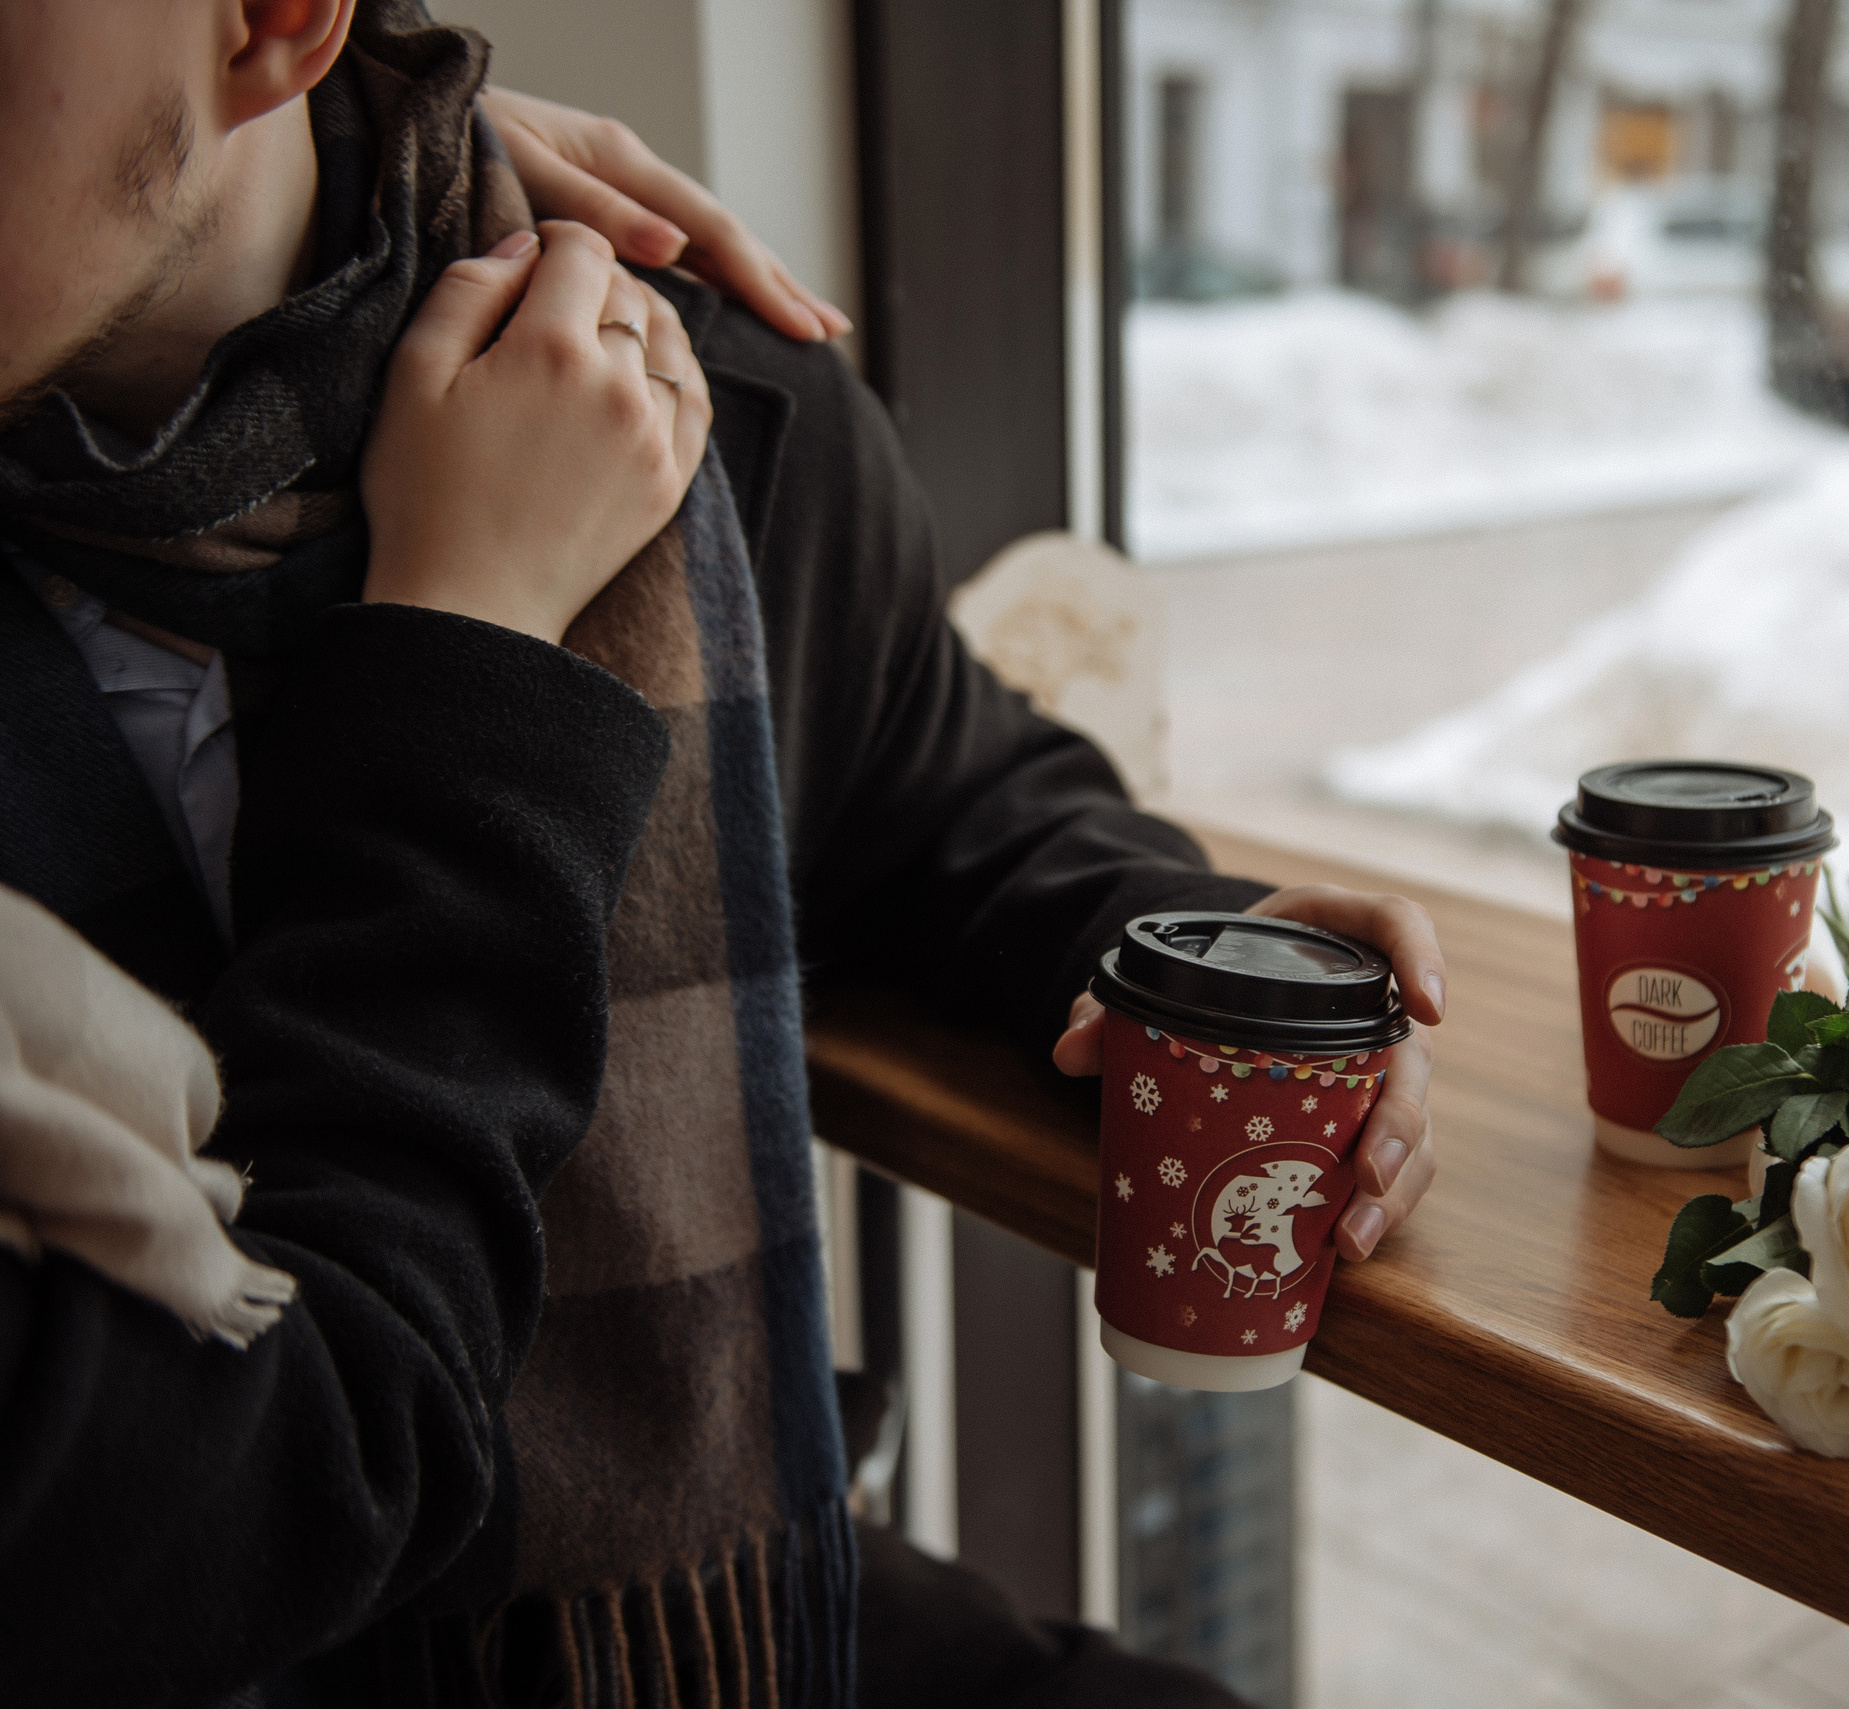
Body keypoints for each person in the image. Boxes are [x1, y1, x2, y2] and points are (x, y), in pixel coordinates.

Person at [0, 3, 1445, 1705]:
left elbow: (943, 803)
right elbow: (238, 1485)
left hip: (677, 1601)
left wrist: (1176, 944)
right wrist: (471, 659)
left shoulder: (701, 407)